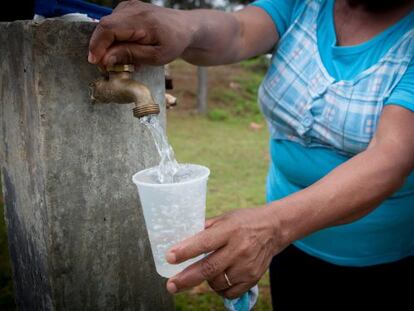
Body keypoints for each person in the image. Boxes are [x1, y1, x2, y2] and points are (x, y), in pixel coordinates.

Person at [88, 0, 414, 309]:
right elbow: (238, 30)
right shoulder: (305, 4)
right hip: (292, 247)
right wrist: (181, 25)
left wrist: (272, 226)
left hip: (383, 256)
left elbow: (391, 157)